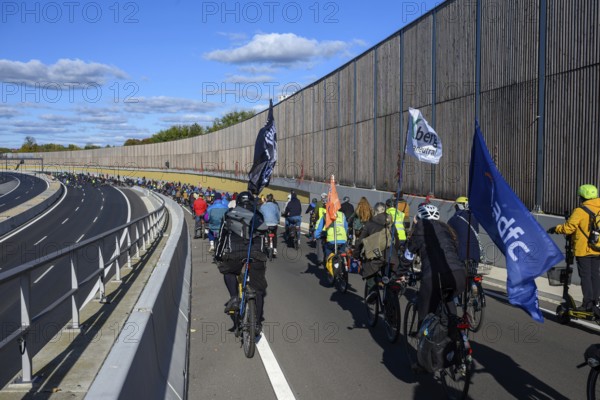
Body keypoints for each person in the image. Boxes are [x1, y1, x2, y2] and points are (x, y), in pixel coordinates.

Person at [400, 203, 466, 325]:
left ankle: (422, 337)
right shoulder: (447, 229)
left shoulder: (420, 228)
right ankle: (455, 333)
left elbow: (408, 255)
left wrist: (401, 273)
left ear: (419, 218)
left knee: (425, 311)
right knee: (448, 299)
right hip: (459, 274)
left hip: (434, 276)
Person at [214, 191, 268, 333]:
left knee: (229, 271)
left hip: (235, 254)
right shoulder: (259, 215)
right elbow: (264, 236)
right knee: (258, 290)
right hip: (256, 254)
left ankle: (234, 298)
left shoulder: (229, 214)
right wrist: (265, 253)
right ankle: (257, 323)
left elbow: (222, 237)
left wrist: (218, 255)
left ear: (237, 202)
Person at [548, 184, 600, 312]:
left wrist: (556, 229)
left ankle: (588, 304)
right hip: (598, 248)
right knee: (595, 276)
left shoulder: (580, 211)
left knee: (586, 276)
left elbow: (569, 228)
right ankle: (596, 302)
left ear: (582, 197)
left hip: (584, 249)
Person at [356, 202, 399, 300]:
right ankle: (391, 302)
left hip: (376, 256)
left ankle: (373, 291)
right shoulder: (391, 223)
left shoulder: (370, 223)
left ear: (375, 211)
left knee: (369, 271)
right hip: (391, 257)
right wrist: (395, 254)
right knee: (390, 279)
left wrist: (356, 254)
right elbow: (397, 241)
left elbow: (360, 241)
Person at [447, 196, 481, 273]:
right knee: (473, 273)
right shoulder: (475, 217)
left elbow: (447, 233)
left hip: (461, 254)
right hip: (475, 253)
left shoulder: (455, 218)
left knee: (457, 275)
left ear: (459, 206)